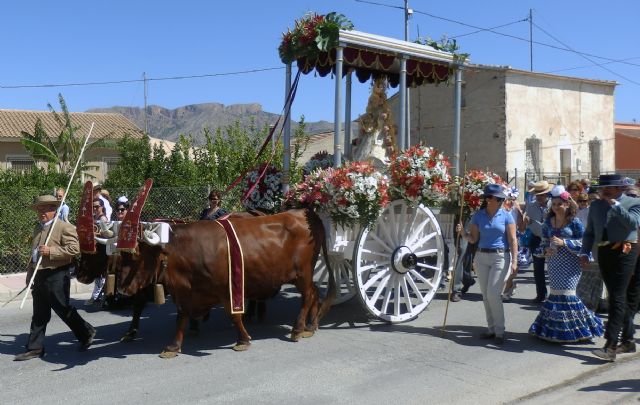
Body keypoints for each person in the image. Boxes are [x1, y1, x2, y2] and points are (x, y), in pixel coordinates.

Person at [14, 195, 96, 361]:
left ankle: (86, 332)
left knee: (63, 309)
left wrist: (51, 251)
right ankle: (35, 348)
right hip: (40, 275)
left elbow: (74, 249)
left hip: (57, 274)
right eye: (39, 209)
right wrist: (30, 275)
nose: (41, 212)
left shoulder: (64, 227)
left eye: (45, 209)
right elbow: (35, 255)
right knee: (39, 313)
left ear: (54, 210)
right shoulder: (38, 228)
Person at [529, 185, 603, 342]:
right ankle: (555, 331)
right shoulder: (548, 223)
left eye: (559, 204)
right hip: (554, 263)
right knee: (556, 294)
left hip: (571, 263)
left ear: (567, 204)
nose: (556, 207)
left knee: (568, 295)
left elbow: (585, 242)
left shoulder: (575, 222)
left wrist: (564, 242)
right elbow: (543, 243)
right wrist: (545, 251)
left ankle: (583, 329)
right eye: (554, 204)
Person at [580, 174, 640, 361]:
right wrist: (584, 251)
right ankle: (628, 340)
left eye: (608, 188)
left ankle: (611, 345)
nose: (603, 191)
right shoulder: (596, 205)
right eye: (602, 188)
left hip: (625, 250)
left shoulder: (632, 203)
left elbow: (633, 223)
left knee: (616, 296)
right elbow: (590, 231)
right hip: (604, 251)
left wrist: (615, 206)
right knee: (617, 295)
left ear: (619, 188)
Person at [456, 184, 518, 345]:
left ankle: (499, 331)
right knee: (485, 295)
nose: (497, 200)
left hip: (500, 256)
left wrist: (515, 261)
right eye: (494, 198)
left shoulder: (506, 216)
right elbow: (473, 239)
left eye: (499, 198)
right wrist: (463, 233)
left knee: (493, 294)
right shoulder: (479, 216)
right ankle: (491, 328)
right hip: (481, 256)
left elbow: (513, 240)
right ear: (489, 199)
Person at [524, 180, 553, 303]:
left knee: (553, 269)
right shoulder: (531, 206)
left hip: (552, 240)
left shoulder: (554, 205)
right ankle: (541, 294)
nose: (540, 197)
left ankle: (555, 296)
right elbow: (528, 223)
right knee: (538, 269)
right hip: (536, 239)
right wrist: (528, 222)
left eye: (542, 194)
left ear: (547, 194)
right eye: (538, 194)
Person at [501, 187, 525, 301]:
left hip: (514, 239)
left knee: (513, 266)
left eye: (513, 198)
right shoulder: (501, 209)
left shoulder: (516, 209)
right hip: (502, 239)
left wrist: (520, 213)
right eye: (509, 198)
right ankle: (509, 286)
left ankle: (507, 289)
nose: (511, 201)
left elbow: (522, 228)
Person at [86, 199, 108, 306]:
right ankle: (98, 296)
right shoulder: (94, 217)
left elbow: (105, 234)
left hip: (102, 248)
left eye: (97, 206)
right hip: (96, 248)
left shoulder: (103, 218)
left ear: (102, 207)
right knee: (98, 274)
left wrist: (94, 235)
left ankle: (95, 297)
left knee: (100, 274)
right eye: (93, 207)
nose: (95, 209)